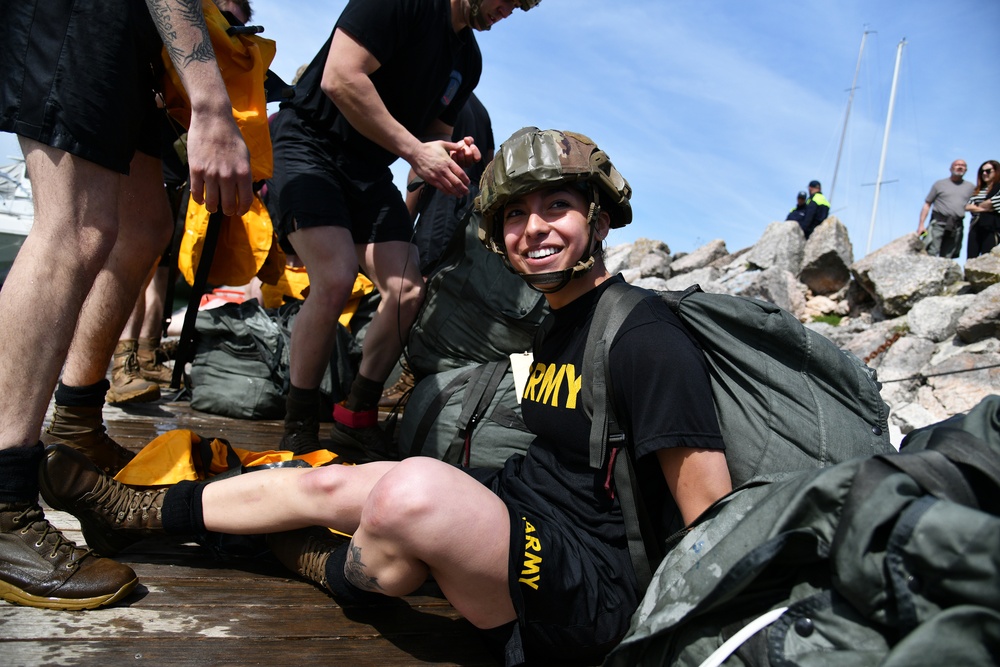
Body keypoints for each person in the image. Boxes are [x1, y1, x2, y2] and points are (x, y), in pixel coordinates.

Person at [39, 128, 733, 665]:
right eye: (516, 214)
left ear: (600, 218)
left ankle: (321, 561)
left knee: (412, 495)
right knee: (342, 479)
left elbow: (714, 527)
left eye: (558, 205)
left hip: (589, 589)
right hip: (526, 517)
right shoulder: (551, 325)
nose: (535, 228)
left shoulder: (645, 336)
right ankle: (135, 511)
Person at [0, 0, 252, 610]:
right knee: (74, 225)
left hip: (138, 36)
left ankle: (77, 425)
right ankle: (3, 499)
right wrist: (213, 103)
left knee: (143, 225)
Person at [267, 0, 541, 459]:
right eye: (508, 0)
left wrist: (450, 154)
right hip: (309, 145)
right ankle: (297, 425)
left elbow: (433, 136)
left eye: (520, 7)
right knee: (333, 280)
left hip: (368, 172)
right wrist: (416, 151)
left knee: (408, 290)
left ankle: (357, 416)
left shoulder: (466, 60)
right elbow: (340, 77)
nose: (508, 12)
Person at [916, 159, 975, 259]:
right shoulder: (939, 184)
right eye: (957, 165)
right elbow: (927, 204)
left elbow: (974, 205)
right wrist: (921, 225)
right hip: (938, 224)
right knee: (930, 253)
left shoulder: (971, 187)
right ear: (951, 168)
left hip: (956, 226)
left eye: (963, 166)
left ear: (966, 170)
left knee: (948, 257)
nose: (960, 167)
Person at [966, 159, 1000, 259]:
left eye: (988, 171)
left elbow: (992, 203)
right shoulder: (977, 190)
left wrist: (979, 206)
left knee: (989, 258)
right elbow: (967, 206)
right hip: (975, 227)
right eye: (982, 171)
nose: (984, 173)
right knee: (971, 258)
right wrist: (985, 209)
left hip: (992, 228)